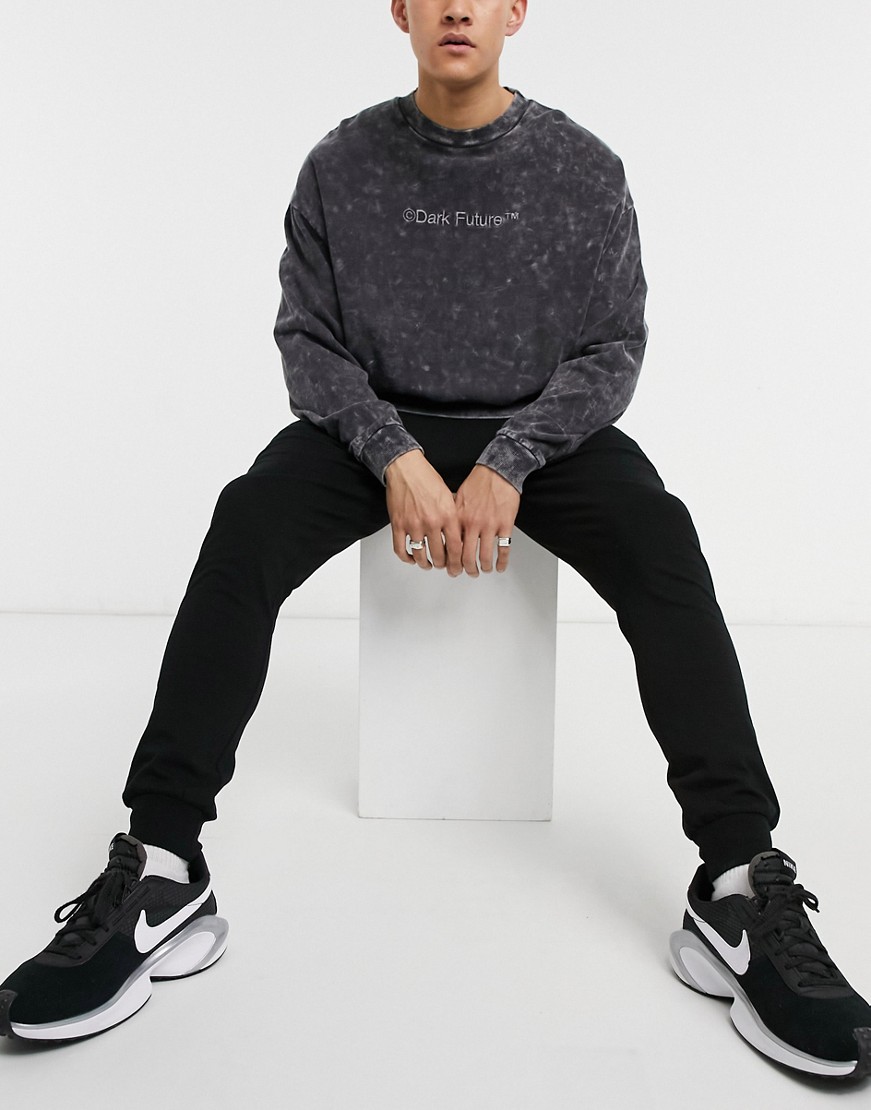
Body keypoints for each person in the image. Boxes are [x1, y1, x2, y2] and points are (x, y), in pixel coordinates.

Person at [1, 0, 868, 1079]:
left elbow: (612, 348)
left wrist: (510, 458)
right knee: (244, 523)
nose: (458, 6)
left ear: (515, 12)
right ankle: (164, 867)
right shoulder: (341, 164)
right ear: (402, 11)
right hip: (372, 428)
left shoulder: (583, 170)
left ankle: (736, 884)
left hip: (543, 434)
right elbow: (308, 340)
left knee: (662, 544)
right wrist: (391, 451)